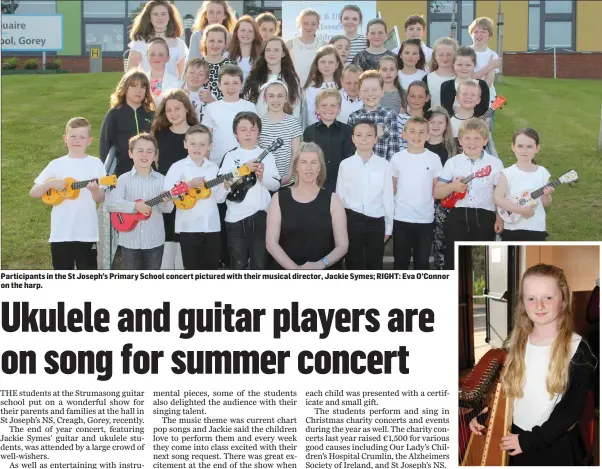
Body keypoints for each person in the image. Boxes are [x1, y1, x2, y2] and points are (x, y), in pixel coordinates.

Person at [470, 263, 597, 466]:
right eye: (531, 299)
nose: (539, 305)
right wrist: (485, 416)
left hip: (553, 445)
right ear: (523, 303)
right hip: (515, 438)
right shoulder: (514, 343)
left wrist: (529, 440)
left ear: (563, 300)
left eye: (548, 297)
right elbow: (510, 394)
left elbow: (571, 409)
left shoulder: (578, 351)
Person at [30, 117, 106, 270]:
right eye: (73, 136)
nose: (77, 140)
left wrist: (95, 190)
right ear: (65, 138)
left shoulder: (95, 164)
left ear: (89, 140)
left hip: (86, 232)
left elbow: (100, 198)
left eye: (82, 137)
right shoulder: (56, 164)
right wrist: (50, 184)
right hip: (61, 232)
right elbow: (34, 192)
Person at [434, 118, 503, 270]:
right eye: (467, 138)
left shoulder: (495, 163)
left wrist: (500, 217)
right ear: (460, 141)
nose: (472, 142)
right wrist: (452, 186)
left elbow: (500, 194)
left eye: (477, 138)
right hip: (458, 215)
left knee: (481, 262)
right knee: (453, 260)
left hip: (485, 216)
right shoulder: (453, 162)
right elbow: (437, 192)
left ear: (485, 141)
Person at [266, 142, 348, 270]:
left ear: (320, 167)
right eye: (303, 162)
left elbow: (342, 246)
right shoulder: (279, 198)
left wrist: (320, 264)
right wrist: (296, 270)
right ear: (296, 166)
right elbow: (271, 243)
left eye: (314, 162)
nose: (308, 168)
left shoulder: (333, 200)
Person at [218, 112, 280, 269]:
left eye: (252, 129)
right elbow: (220, 188)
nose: (248, 133)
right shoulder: (230, 156)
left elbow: (276, 185)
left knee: (260, 264)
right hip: (234, 218)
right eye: (243, 129)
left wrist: (262, 178)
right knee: (237, 264)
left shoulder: (268, 156)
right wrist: (238, 172)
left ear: (259, 132)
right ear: (235, 133)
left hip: (261, 217)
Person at [164, 125, 228, 270]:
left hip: (212, 227)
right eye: (193, 143)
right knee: (192, 268)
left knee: (211, 267)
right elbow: (167, 193)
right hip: (189, 227)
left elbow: (219, 199)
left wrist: (225, 186)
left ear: (210, 147)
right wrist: (189, 185)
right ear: (185, 144)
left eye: (202, 144)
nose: (197, 147)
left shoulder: (213, 168)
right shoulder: (177, 167)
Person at [106, 133, 173, 270]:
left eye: (150, 151)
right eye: (140, 151)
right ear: (131, 153)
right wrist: (135, 206)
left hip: (154, 240)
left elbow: (168, 209)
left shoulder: (162, 180)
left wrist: (165, 201)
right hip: (129, 240)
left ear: (155, 156)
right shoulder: (123, 179)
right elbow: (112, 203)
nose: (145, 155)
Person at [336, 120, 393, 270]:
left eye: (369, 135)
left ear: (375, 139)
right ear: (353, 139)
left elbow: (388, 197)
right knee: (354, 262)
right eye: (359, 135)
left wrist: (388, 227)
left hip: (376, 221)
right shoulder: (345, 164)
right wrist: (341, 226)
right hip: (353, 219)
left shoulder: (384, 165)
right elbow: (340, 197)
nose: (364, 139)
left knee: (374, 263)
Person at [151, 88, 198, 269]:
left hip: (190, 195)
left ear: (186, 108)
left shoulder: (196, 134)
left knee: (185, 244)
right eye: (169, 110)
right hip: (167, 196)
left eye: (177, 108)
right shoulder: (160, 135)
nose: (173, 113)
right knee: (167, 242)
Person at [390, 116, 441, 270]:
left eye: (421, 132)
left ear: (428, 136)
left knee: (422, 263)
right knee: (400, 262)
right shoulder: (397, 158)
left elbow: (437, 188)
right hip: (401, 218)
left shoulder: (434, 159)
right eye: (412, 131)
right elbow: (392, 188)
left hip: (425, 220)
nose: (417, 136)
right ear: (404, 134)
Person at [495, 128, 554, 242]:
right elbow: (498, 198)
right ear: (513, 147)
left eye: (529, 147)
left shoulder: (542, 172)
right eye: (520, 146)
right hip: (512, 228)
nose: (524, 150)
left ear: (537, 148)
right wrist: (520, 210)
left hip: (536, 228)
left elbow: (545, 204)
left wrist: (547, 195)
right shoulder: (507, 173)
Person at [100, 69, 155, 177]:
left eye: (142, 87)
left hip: (149, 172)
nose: (138, 90)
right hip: (121, 172)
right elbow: (105, 146)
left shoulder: (151, 115)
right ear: (125, 88)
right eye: (134, 86)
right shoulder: (114, 114)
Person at [202, 64, 256, 166]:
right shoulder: (211, 108)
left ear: (241, 85)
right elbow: (206, 138)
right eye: (226, 83)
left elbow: (254, 136)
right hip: (216, 162)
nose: (231, 87)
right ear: (219, 86)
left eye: (235, 83)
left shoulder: (250, 107)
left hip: (244, 162)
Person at [303, 88, 355, 193]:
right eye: (323, 105)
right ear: (317, 109)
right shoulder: (309, 131)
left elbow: (350, 159)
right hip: (316, 183)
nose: (328, 109)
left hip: (341, 184)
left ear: (339, 109)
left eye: (333, 105)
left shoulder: (348, 131)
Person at [425, 107, 456, 270]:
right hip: (421, 201)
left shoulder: (453, 148)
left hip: (444, 204)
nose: (436, 125)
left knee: (442, 246)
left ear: (446, 125)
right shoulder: (418, 146)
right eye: (432, 122)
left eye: (440, 122)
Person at [243, 37, 302, 120]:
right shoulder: (254, 77)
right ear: (263, 53)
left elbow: (296, 107)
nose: (272, 53)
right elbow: (247, 104)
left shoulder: (291, 79)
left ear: (283, 53)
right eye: (268, 50)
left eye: (276, 50)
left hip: (284, 129)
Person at [348, 70, 400, 161]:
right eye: (365, 90)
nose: (370, 94)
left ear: (382, 92)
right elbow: (350, 148)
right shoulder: (354, 117)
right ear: (359, 93)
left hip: (382, 169)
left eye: (374, 90)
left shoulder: (389, 115)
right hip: (359, 168)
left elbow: (394, 148)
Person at [128, 0, 188, 79]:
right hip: (147, 89)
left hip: (172, 89)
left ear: (169, 16)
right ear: (149, 17)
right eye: (155, 14)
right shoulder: (140, 42)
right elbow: (131, 73)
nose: (160, 18)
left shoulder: (179, 44)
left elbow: (183, 76)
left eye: (163, 14)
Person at [259, 81, 303, 185]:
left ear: (286, 98)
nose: (275, 100)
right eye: (271, 96)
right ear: (265, 99)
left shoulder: (293, 122)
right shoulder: (258, 124)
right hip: (264, 180)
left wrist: (289, 175)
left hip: (287, 180)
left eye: (280, 96)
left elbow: (295, 152)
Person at [440, 46, 489, 121]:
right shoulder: (446, 86)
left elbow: (483, 111)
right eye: (459, 65)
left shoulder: (482, 85)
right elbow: (446, 111)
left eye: (468, 65)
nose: (464, 68)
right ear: (453, 65)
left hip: (474, 126)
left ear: (474, 65)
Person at [469, 17, 501, 130]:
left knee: (485, 131)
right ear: (471, 34)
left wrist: (490, 68)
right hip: (467, 98)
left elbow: (487, 83)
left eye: (483, 31)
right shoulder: (466, 52)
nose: (479, 35)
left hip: (487, 102)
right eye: (476, 31)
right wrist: (489, 67)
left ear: (489, 35)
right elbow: (468, 76)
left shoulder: (493, 56)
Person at [303, 45, 344, 128]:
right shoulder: (311, 88)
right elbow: (310, 113)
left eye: (331, 62)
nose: (326, 65)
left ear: (337, 65)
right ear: (317, 64)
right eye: (323, 62)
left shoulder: (343, 87)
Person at [286, 8, 326, 88]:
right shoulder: (289, 44)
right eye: (305, 23)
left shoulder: (324, 45)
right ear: (300, 24)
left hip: (316, 88)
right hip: (295, 88)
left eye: (313, 24)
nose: (309, 27)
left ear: (318, 25)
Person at [200, 23, 237, 101]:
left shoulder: (231, 66)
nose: (215, 45)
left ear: (225, 43)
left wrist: (211, 100)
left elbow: (234, 94)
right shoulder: (197, 65)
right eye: (211, 41)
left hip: (223, 110)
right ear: (205, 42)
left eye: (220, 41)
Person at [422, 36, 457, 109]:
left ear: (455, 55)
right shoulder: (427, 79)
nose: (445, 58)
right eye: (441, 55)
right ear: (434, 56)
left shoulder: (461, 78)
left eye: (449, 54)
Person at [145, 37, 181, 106]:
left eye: (161, 54)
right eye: (152, 54)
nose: (156, 57)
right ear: (147, 57)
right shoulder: (141, 79)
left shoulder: (175, 81)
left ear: (168, 58)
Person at [226, 15, 262, 85]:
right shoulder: (227, 56)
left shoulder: (261, 58)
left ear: (255, 35)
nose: (246, 34)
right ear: (236, 33)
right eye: (243, 30)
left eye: (250, 31)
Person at [397, 80, 429, 149]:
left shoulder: (431, 119)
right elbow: (398, 144)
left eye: (420, 97)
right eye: (412, 96)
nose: (416, 100)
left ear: (427, 98)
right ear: (407, 97)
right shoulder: (400, 119)